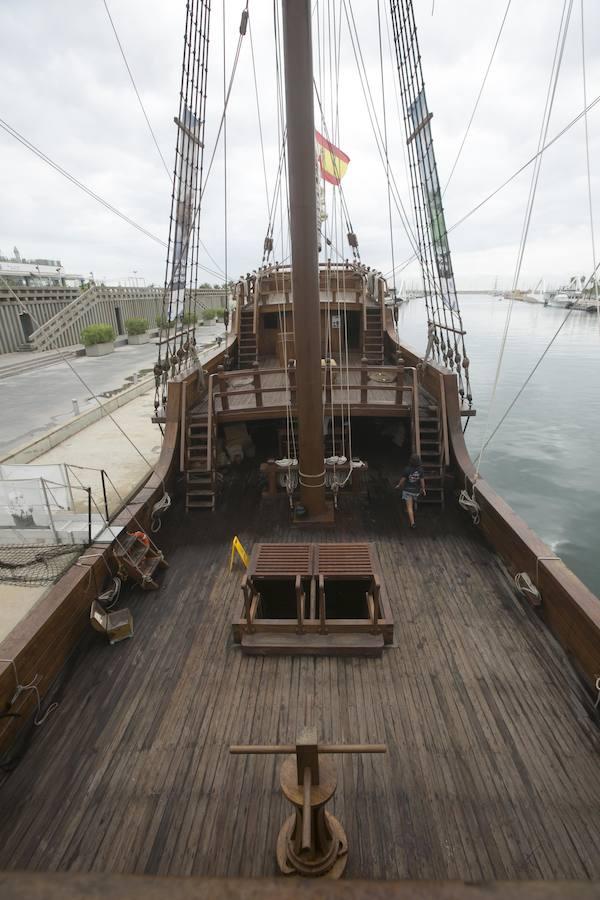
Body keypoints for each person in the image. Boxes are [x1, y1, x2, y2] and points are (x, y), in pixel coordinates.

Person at [395, 453, 426, 528]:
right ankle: (414, 508)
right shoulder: (420, 470)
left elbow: (403, 479)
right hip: (416, 491)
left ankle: (412, 523)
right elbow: (422, 481)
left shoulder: (407, 469)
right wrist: (423, 489)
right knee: (414, 502)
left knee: (409, 508)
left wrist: (398, 485)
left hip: (407, 491)